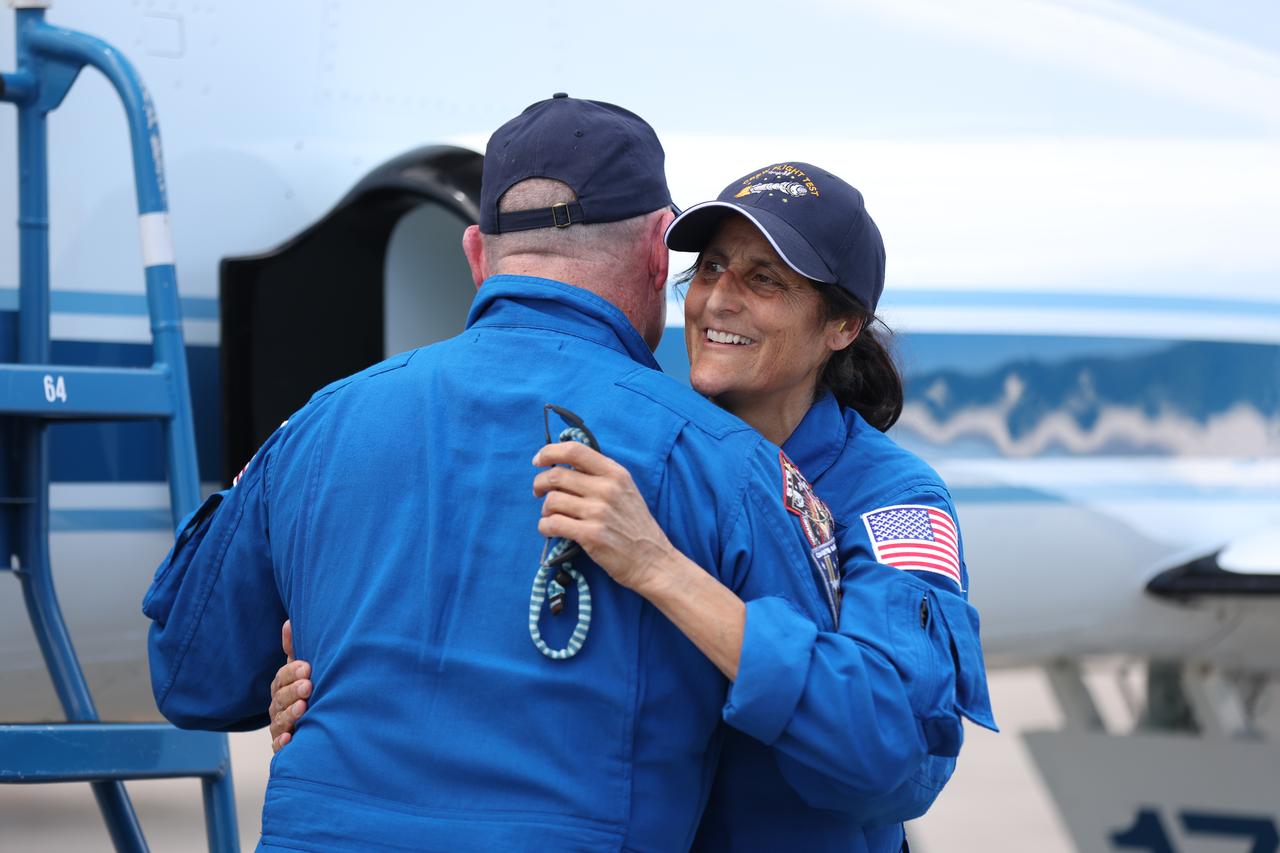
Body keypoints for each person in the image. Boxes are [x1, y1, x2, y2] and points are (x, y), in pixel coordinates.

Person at [143, 96, 851, 851]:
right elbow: (848, 756)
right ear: (655, 250)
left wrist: (308, 676)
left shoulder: (316, 426)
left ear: (478, 254)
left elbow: (192, 675)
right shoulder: (729, 464)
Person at [267, 162, 998, 851]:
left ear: (841, 327)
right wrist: (321, 696)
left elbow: (892, 755)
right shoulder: (640, 456)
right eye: (710, 268)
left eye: (764, 279)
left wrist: (660, 567)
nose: (719, 299)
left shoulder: (894, 504)